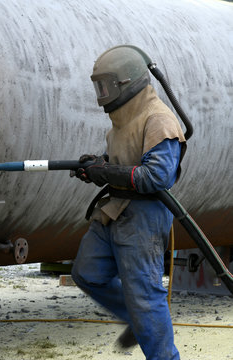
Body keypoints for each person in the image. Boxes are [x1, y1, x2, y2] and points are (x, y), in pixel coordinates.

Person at [70, 45, 186, 360]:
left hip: (143, 218)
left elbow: (157, 178)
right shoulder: (124, 120)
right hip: (113, 211)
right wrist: (97, 165)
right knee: (86, 273)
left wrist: (106, 170)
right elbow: (123, 160)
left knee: (146, 300)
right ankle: (135, 317)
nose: (102, 93)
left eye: (105, 86)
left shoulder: (159, 120)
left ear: (126, 82)